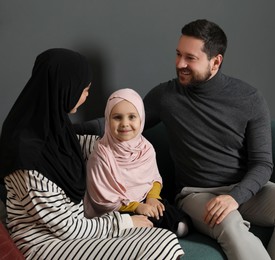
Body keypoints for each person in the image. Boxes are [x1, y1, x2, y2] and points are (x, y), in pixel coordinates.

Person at [143, 19, 275, 260]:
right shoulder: (166, 96)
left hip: (242, 190)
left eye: (190, 58)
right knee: (229, 222)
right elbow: (122, 120)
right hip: (195, 194)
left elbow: (263, 164)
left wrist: (235, 197)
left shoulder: (249, 99)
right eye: (179, 54)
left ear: (216, 62)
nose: (180, 63)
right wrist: (71, 127)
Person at [0, 48, 184, 259]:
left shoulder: (55, 129)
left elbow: (93, 146)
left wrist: (126, 143)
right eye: (84, 88)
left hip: (79, 230)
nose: (87, 95)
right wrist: (126, 221)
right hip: (45, 243)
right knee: (160, 245)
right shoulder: (26, 155)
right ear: (64, 87)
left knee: (162, 238)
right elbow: (66, 227)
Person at [84, 88, 189, 237]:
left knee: (173, 216)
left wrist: (152, 198)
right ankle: (146, 230)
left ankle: (158, 225)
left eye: (132, 117)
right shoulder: (101, 155)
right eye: (117, 117)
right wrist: (137, 207)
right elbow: (101, 199)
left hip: (145, 199)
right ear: (108, 119)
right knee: (129, 221)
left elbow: (154, 179)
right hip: (118, 208)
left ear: (141, 119)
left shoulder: (145, 148)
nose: (125, 124)